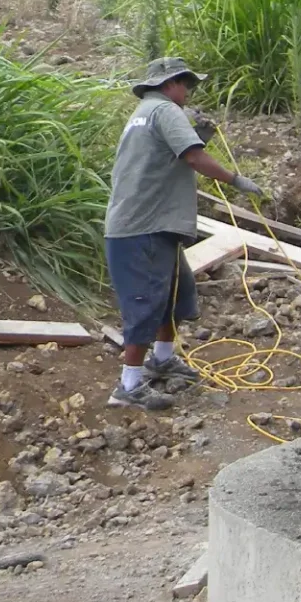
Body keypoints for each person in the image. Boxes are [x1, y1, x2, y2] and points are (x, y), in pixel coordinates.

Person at [105, 57, 265, 411]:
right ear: (171, 83)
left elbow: (165, 157)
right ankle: (128, 385)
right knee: (146, 302)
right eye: (187, 84)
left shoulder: (143, 114)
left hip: (147, 225)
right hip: (143, 226)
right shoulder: (165, 110)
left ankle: (161, 359)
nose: (189, 91)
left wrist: (198, 135)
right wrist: (235, 180)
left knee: (178, 293)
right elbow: (193, 158)